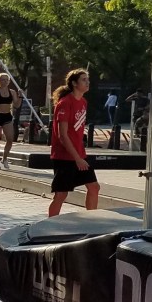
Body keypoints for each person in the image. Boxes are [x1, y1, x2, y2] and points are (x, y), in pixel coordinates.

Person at [48, 69, 100, 217]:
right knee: (61, 194)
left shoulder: (83, 102)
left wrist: (79, 156)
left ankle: (92, 219)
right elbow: (62, 135)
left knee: (94, 187)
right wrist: (76, 158)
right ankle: (50, 224)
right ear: (74, 83)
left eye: (88, 79)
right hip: (64, 156)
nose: (87, 82)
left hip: (80, 154)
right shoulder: (64, 103)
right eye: (84, 79)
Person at [0, 73, 21, 170]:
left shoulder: (12, 92)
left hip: (7, 117)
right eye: (3, 80)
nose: (5, 81)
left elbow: (17, 105)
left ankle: (4, 158)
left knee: (10, 139)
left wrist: (20, 96)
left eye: (7, 80)